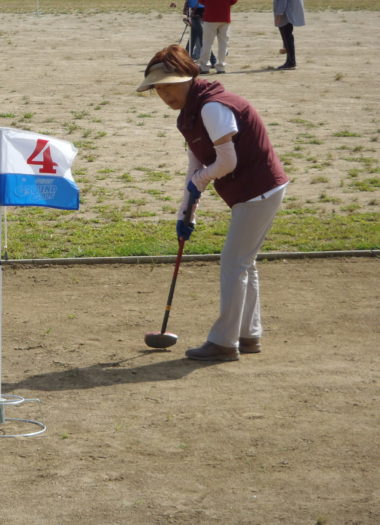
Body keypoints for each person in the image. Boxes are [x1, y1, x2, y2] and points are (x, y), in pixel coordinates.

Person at [136, 44, 289, 362]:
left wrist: (200, 181)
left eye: (168, 86)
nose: (164, 95)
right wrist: (186, 212)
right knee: (244, 263)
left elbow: (227, 162)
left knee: (234, 264)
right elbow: (196, 166)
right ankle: (249, 335)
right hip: (253, 191)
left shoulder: (211, 107)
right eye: (158, 89)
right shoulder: (188, 116)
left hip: (259, 189)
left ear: (187, 77)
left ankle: (224, 342)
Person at [198, 0, 237, 74]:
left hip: (210, 16)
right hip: (224, 16)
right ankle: (221, 67)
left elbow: (201, 1)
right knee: (223, 44)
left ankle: (204, 67)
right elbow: (233, 1)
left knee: (207, 43)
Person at [182, 0, 216, 67]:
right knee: (197, 38)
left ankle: (213, 60)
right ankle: (213, 60)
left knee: (198, 38)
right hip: (195, 13)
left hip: (200, 13)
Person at [274, 0, 305, 70]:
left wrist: (279, 13)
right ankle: (290, 60)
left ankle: (291, 62)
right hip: (288, 9)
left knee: (286, 34)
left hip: (286, 11)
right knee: (287, 34)